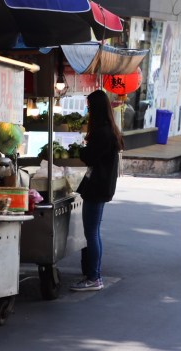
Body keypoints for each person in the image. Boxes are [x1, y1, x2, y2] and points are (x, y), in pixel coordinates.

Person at [71, 90, 124, 292]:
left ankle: (94, 277)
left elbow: (89, 157)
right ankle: (93, 274)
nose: (88, 111)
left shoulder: (102, 133)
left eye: (89, 107)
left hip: (97, 187)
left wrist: (82, 149)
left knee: (91, 233)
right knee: (94, 232)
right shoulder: (110, 130)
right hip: (102, 186)